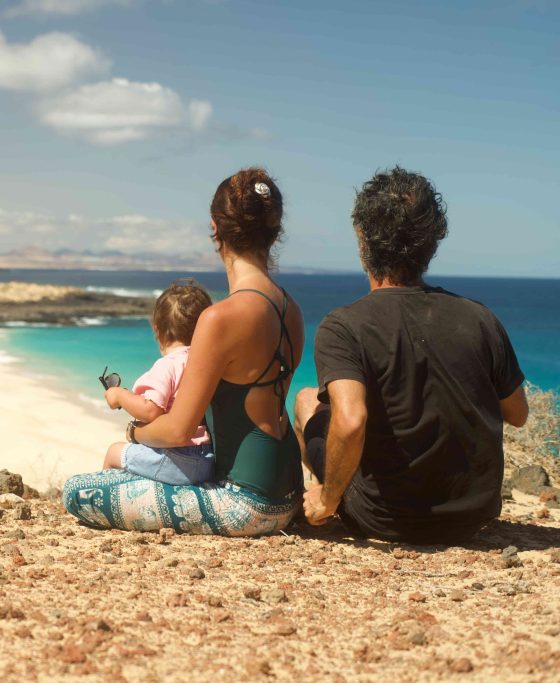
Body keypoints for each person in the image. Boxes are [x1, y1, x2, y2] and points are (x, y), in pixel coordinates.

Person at [294, 166, 529, 544]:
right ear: (432, 244)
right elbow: (518, 414)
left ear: (361, 239)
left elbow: (352, 420)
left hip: (384, 520)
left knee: (308, 401)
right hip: (473, 517)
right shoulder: (480, 318)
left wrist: (327, 498)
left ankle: (325, 498)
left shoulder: (344, 326)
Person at [63, 167, 305, 535]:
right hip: (289, 497)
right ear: (274, 230)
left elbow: (177, 431)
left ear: (215, 227)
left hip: (245, 506)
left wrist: (132, 435)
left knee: (77, 492)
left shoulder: (220, 318)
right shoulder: (292, 310)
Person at [101, 279, 214, 485]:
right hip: (207, 459)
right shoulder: (208, 365)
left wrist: (120, 396)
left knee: (113, 452)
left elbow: (150, 410)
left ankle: (105, 506)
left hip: (177, 459)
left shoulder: (168, 365)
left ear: (158, 332)